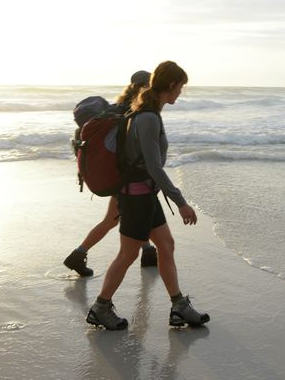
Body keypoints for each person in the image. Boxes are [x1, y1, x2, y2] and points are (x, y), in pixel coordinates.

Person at [86, 60, 210, 330]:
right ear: (171, 85)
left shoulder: (145, 112)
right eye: (181, 87)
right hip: (136, 198)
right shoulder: (148, 118)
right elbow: (154, 168)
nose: (181, 93)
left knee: (166, 246)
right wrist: (182, 202)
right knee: (128, 255)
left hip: (145, 196)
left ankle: (179, 307)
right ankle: (100, 307)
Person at [63, 70, 158, 276]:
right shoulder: (134, 112)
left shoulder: (116, 108)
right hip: (125, 177)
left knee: (124, 218)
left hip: (119, 175)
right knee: (117, 219)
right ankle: (78, 256)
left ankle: (148, 252)